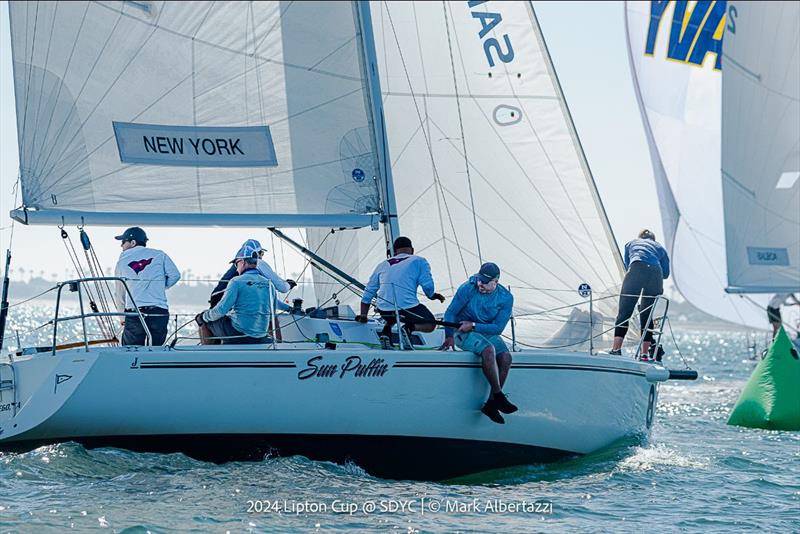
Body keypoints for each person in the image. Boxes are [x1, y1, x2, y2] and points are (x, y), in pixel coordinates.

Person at [439, 262, 517, 424]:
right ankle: (498, 395)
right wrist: (449, 336)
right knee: (488, 350)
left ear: (496, 282)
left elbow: (497, 328)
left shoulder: (506, 297)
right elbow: (451, 312)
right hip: (461, 330)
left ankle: (490, 405)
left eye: (485, 282)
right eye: (479, 279)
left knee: (506, 358)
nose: (480, 284)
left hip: (484, 330)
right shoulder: (468, 288)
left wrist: (474, 325)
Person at [356, 236, 445, 347]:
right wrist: (431, 295)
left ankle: (386, 334)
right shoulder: (419, 260)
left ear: (394, 251)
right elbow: (427, 286)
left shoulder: (382, 265)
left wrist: (363, 315)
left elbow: (368, 292)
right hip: (406, 309)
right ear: (412, 250)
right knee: (431, 323)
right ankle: (408, 329)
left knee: (391, 317)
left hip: (384, 310)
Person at [195, 241, 275, 344]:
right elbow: (274, 308)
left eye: (236, 264)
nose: (236, 268)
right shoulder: (269, 284)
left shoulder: (236, 281)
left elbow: (221, 310)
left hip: (239, 334)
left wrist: (202, 317)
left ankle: (210, 357)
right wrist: (290, 308)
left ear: (242, 262)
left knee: (205, 321)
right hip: (260, 335)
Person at [114, 227, 180, 346]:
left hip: (135, 313)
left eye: (123, 242)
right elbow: (175, 275)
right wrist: (159, 287)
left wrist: (122, 318)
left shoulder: (122, 261)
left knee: (130, 351)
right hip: (159, 312)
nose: (121, 246)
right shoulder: (160, 254)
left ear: (133, 242)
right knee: (156, 351)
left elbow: (120, 293)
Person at [610, 229, 670, 360]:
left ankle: (616, 350)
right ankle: (644, 354)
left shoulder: (630, 244)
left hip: (636, 269)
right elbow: (665, 274)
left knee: (624, 312)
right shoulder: (660, 247)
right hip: (655, 274)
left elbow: (627, 267)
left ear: (639, 238)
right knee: (647, 316)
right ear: (653, 240)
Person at [209, 239, 296, 307]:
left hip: (218, 301)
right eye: (261, 253)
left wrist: (288, 308)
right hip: (223, 302)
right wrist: (289, 284)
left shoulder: (239, 267)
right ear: (255, 254)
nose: (262, 257)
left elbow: (268, 299)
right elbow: (282, 288)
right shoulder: (257, 263)